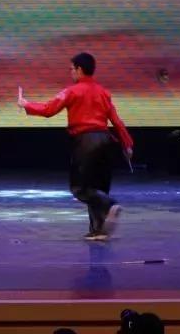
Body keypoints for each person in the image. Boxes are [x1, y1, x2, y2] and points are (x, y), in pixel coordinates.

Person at [17, 52, 133, 241]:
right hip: (106, 141)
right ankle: (99, 231)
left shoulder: (72, 91)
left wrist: (25, 104)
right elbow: (117, 121)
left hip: (86, 142)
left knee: (80, 188)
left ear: (79, 69)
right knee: (98, 189)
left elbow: (48, 110)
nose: (70, 72)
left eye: (71, 69)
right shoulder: (103, 92)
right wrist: (127, 145)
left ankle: (111, 205)